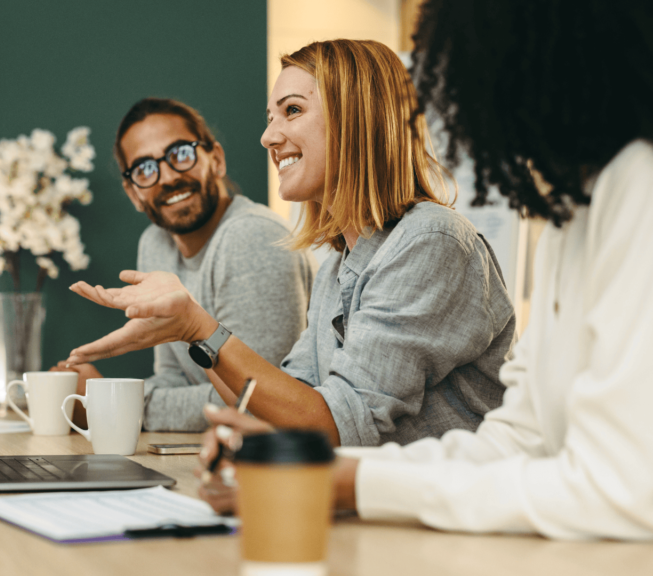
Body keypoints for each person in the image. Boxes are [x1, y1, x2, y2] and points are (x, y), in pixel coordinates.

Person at [200, 0, 653, 540]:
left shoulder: (636, 188)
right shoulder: (569, 216)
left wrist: (350, 484)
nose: (456, 102)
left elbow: (623, 492)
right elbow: (517, 441)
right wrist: (315, 467)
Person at [65, 39, 515, 448]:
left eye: (293, 110)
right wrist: (191, 336)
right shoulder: (339, 266)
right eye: (270, 118)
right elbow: (284, 403)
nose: (268, 137)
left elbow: (335, 424)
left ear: (354, 116)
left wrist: (197, 327)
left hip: (446, 522)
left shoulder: (430, 241)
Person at [55, 98, 315, 432]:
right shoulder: (155, 243)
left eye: (180, 153)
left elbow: (258, 404)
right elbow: (174, 378)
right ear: (134, 193)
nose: (167, 177)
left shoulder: (252, 237)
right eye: (145, 169)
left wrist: (110, 404)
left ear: (216, 159)